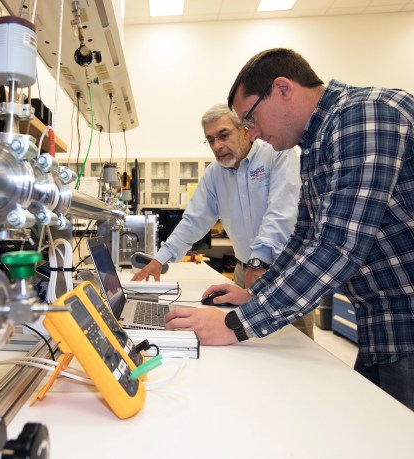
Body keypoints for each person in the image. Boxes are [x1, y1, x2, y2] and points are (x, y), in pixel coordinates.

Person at [165, 48, 414, 410]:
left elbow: (338, 247)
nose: (251, 132)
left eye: (249, 119)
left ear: (283, 89)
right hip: (384, 325)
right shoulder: (316, 143)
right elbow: (304, 237)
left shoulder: (364, 116)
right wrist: (257, 292)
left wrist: (236, 324)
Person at [131, 103, 314, 338]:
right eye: (210, 140)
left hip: (287, 271)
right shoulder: (214, 174)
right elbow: (193, 221)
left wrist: (258, 263)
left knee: (295, 345)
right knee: (250, 346)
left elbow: (280, 214)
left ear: (244, 130)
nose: (217, 146)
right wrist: (160, 259)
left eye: (223, 135)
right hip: (245, 270)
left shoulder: (277, 155)